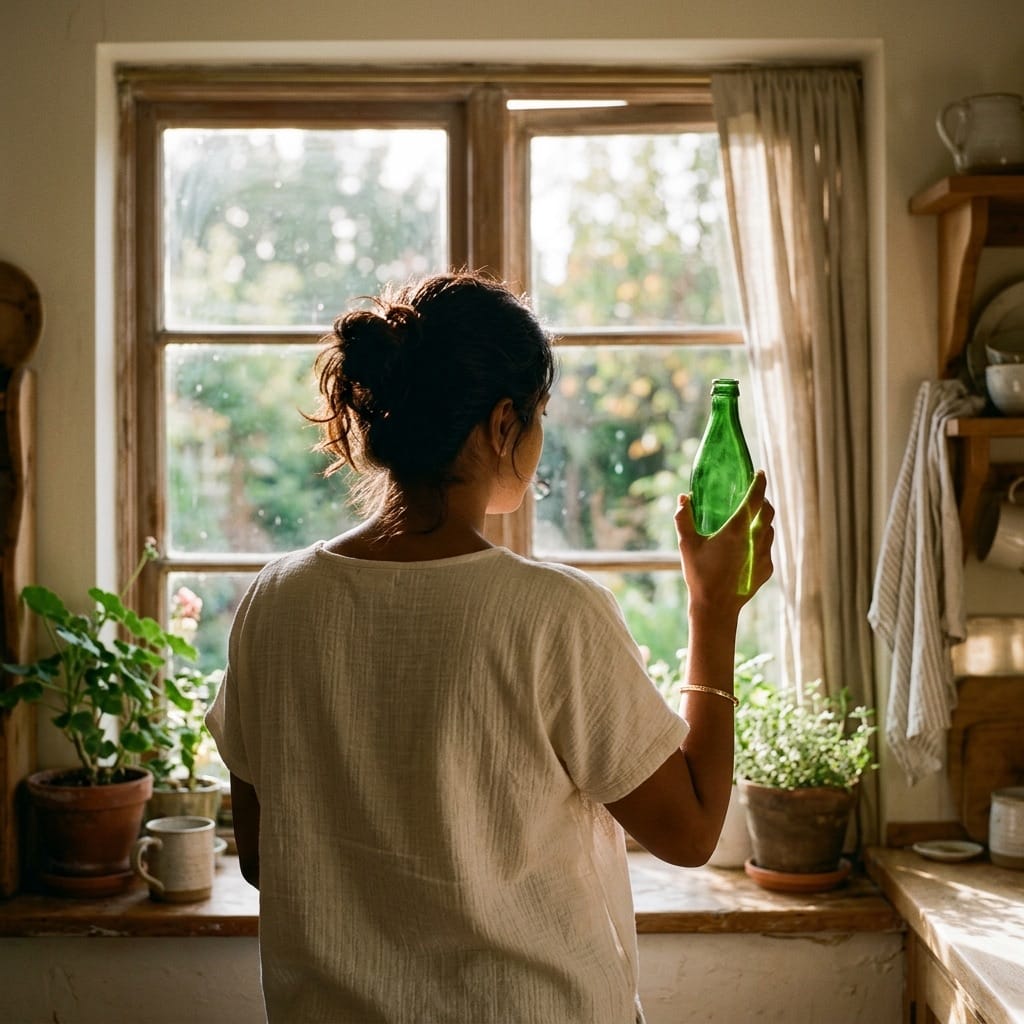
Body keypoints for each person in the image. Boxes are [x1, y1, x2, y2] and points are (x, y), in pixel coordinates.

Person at [206, 270, 774, 1024]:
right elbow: (694, 830)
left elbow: (263, 858)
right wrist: (714, 609)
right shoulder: (550, 614)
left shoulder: (273, 601)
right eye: (537, 416)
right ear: (504, 423)